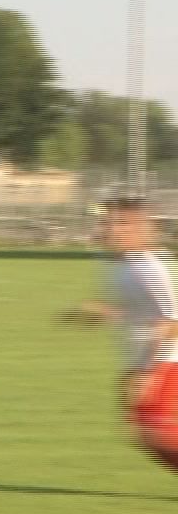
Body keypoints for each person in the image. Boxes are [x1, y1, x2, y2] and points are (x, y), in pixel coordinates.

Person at [61, 197, 178, 472]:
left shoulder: (150, 269)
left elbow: (174, 321)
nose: (112, 229)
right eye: (108, 222)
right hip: (138, 360)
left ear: (143, 228)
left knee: (156, 433)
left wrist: (151, 371)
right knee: (144, 434)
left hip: (166, 362)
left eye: (122, 223)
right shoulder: (120, 265)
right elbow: (139, 311)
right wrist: (103, 311)